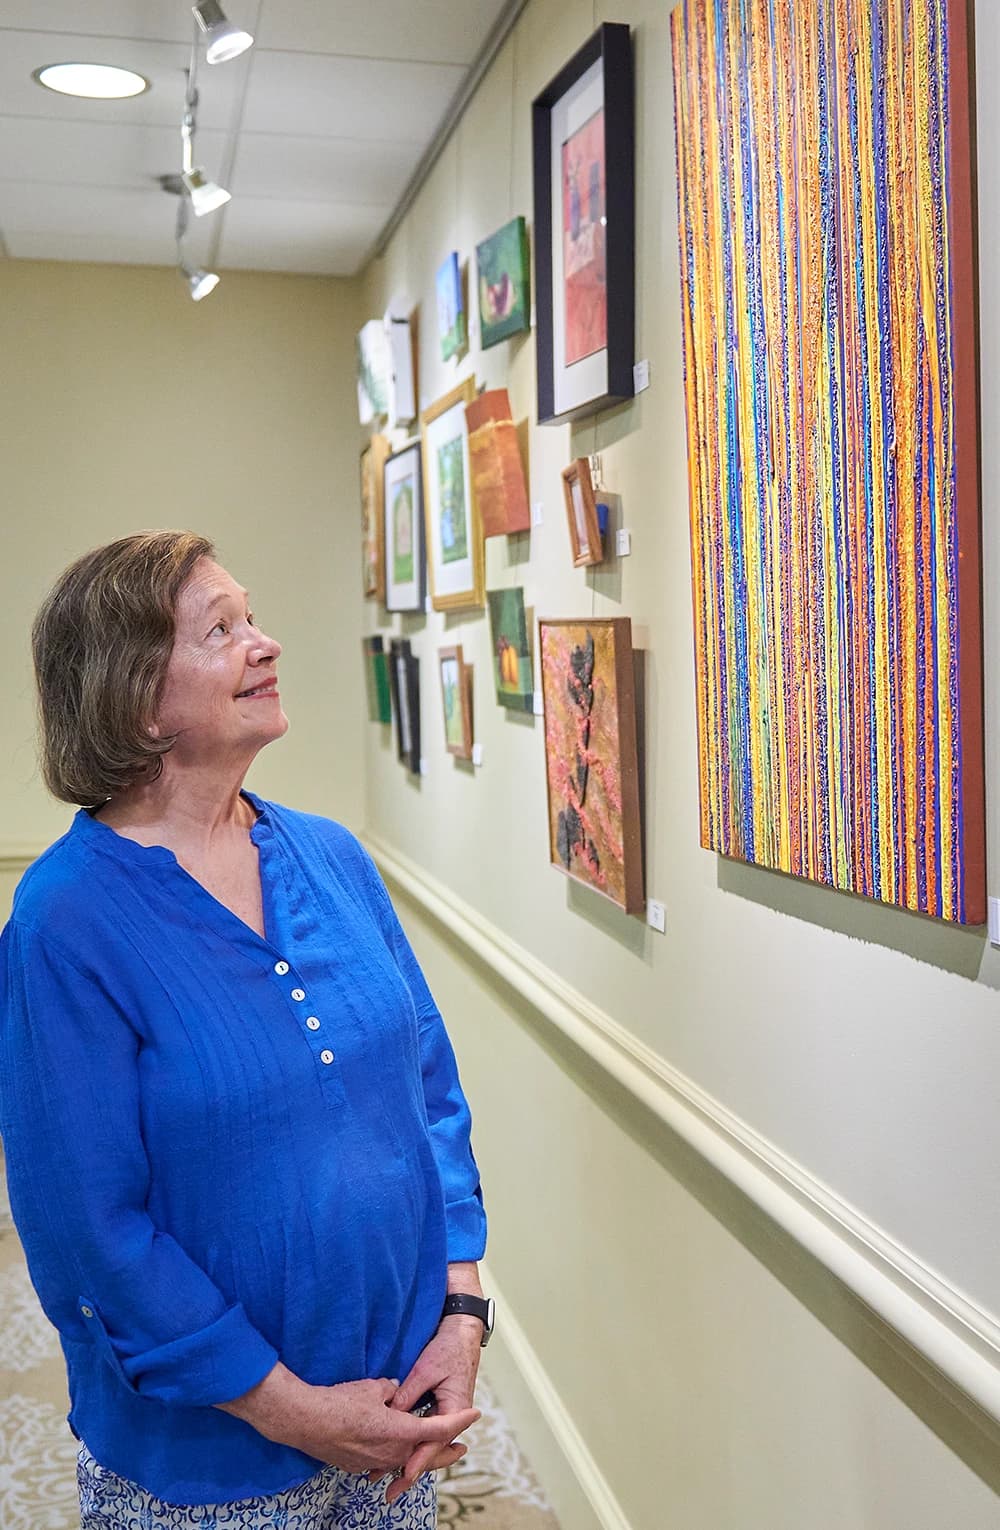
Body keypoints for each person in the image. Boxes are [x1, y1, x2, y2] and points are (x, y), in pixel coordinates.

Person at [0, 531, 493, 1529]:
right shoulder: (65, 919)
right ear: (134, 696)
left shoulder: (330, 855)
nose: (264, 645)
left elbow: (426, 1091)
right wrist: (295, 1413)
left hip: (395, 1411)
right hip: (206, 1462)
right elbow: (88, 1231)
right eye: (220, 629)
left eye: (252, 617)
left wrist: (461, 1306)